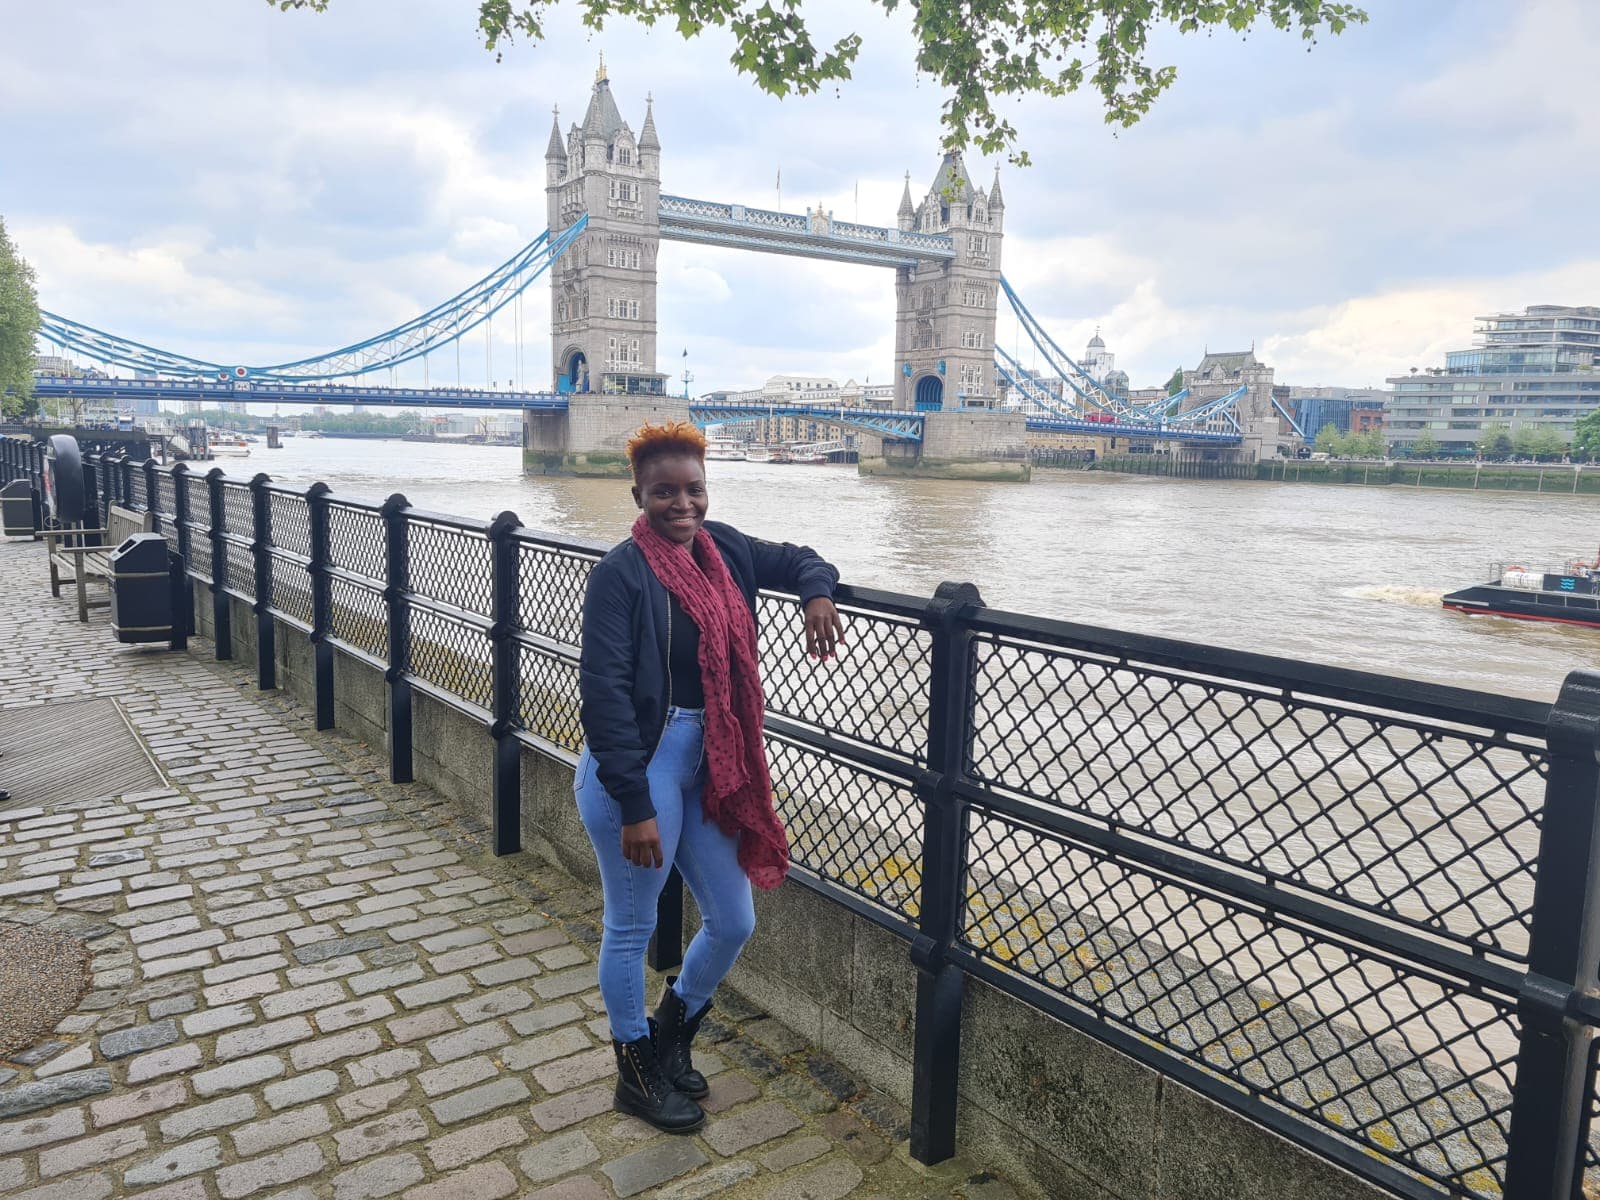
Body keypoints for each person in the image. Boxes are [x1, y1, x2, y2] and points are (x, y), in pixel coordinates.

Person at [576, 420, 844, 1133]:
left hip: (712, 764)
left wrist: (818, 592)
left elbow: (803, 559)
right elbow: (603, 697)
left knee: (732, 919)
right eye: (665, 492)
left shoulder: (725, 549)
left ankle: (672, 1032)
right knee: (631, 926)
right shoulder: (619, 575)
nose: (682, 504)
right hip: (639, 766)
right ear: (639, 494)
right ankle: (633, 1069)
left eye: (693, 489)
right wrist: (634, 804)